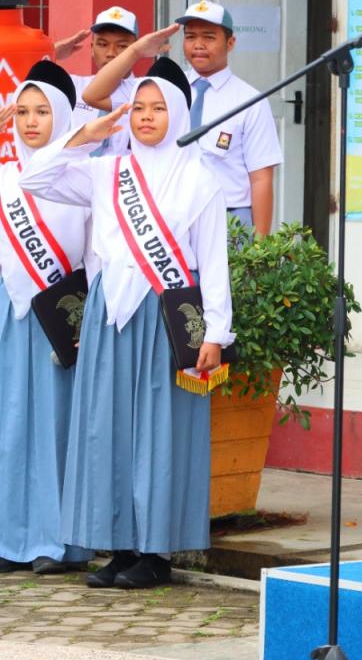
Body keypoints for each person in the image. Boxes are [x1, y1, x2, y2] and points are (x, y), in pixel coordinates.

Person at [20, 56, 233, 590]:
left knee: (159, 436)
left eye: (158, 108)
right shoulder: (107, 170)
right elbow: (33, 177)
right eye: (138, 107)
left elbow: (214, 262)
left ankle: (155, 554)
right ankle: (117, 547)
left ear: (179, 115)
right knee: (106, 431)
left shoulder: (199, 179)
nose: (145, 117)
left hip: (163, 321)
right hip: (108, 318)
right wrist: (82, 134)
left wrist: (216, 333)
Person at [0, 61, 94, 576]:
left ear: (62, 116)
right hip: (9, 312)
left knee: (57, 427)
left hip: (60, 313)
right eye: (23, 111)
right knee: (9, 424)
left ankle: (56, 542)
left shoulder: (82, 175)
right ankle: (9, 538)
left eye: (42, 111)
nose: (31, 121)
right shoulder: (4, 176)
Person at [83, 1, 281, 236]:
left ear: (230, 43)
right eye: (190, 37)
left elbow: (260, 179)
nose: (198, 45)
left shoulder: (250, 100)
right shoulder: (164, 87)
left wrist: (260, 247)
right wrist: (134, 52)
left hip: (227, 219)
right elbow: (93, 95)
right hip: (169, 216)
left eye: (208, 37)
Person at [53, 6, 142, 156]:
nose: (111, 53)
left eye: (121, 46)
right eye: (102, 44)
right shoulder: (73, 86)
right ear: (92, 48)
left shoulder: (146, 91)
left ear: (137, 49)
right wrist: (52, 53)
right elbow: (20, 83)